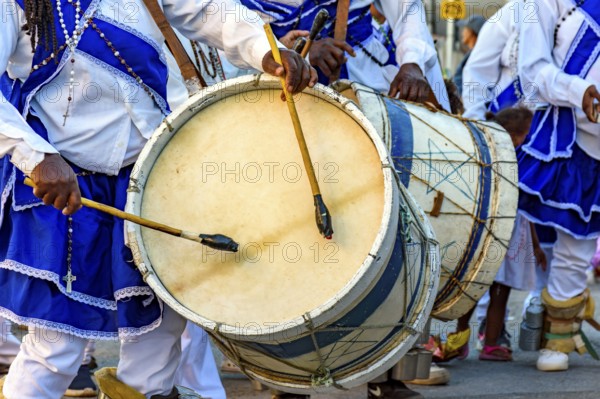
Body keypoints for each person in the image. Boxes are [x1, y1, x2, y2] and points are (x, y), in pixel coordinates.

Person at [0, 0, 316, 398]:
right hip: (66, 185)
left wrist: (263, 49)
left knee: (158, 332)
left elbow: (204, 9)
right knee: (58, 345)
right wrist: (36, 156)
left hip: (153, 176)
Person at [517, 0, 600, 371]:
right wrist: (577, 89)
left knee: (577, 245)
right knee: (568, 240)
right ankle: (557, 332)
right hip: (572, 137)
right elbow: (532, 71)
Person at [238, 0, 450, 111]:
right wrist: (299, 52)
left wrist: (412, 62)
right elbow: (235, 39)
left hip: (370, 78)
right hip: (286, 90)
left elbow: (408, 7)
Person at [478, 107, 546, 361]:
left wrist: (537, 246)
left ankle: (458, 340)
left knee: (475, 289)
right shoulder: (517, 161)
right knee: (499, 293)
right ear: (519, 136)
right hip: (506, 232)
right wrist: (536, 246)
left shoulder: (488, 154)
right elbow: (525, 210)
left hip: (488, 230)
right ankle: (490, 344)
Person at [452, 14, 485, 96]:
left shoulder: (476, 56)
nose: (462, 32)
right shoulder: (474, 53)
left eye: (465, 29)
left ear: (471, 32)